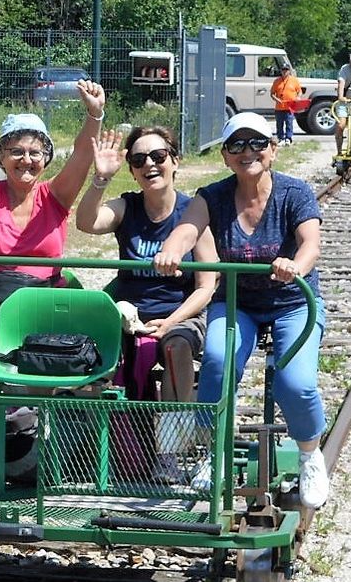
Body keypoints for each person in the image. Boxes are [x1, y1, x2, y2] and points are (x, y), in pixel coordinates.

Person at [152, 111, 329, 508]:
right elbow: (187, 228)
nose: (248, 151)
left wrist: (294, 267)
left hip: (292, 301)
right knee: (216, 362)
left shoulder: (294, 193)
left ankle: (309, 453)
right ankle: (213, 452)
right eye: (237, 145)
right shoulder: (211, 196)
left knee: (295, 382)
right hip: (237, 303)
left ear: (273, 149)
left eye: (257, 143)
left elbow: (310, 244)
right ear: (226, 156)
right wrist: (172, 250)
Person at [75, 125, 218, 482]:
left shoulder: (193, 212)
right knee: (90, 350)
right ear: (132, 170)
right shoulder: (128, 206)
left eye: (158, 156)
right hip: (129, 315)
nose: (149, 165)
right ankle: (115, 448)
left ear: (175, 161)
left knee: (177, 347)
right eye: (139, 160)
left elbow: (206, 286)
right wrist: (100, 179)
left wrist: (171, 321)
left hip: (181, 313)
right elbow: (86, 222)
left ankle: (169, 452)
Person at [0, 79, 106, 394]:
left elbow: (80, 157)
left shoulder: (55, 197)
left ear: (46, 159)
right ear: (2, 156)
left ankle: (25, 422)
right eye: (16, 151)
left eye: (35, 152)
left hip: (43, 300)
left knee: (40, 365)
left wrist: (95, 116)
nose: (26, 160)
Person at [270, 61, 303, 146]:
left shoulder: (294, 80)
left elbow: (299, 91)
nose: (285, 71)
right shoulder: (277, 81)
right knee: (279, 124)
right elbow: (272, 94)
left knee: (289, 123)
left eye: (286, 70)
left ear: (289, 71)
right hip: (279, 107)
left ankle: (288, 138)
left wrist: (298, 98)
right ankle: (280, 138)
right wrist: (277, 99)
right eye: (283, 70)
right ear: (281, 71)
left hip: (290, 107)